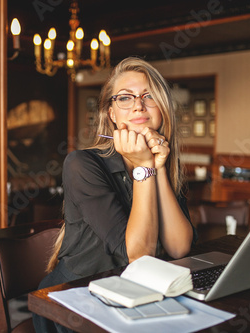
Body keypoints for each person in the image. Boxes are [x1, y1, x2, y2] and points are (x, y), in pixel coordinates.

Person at [33, 57, 197, 333]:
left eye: (148, 96)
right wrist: (145, 167)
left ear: (163, 109)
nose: (137, 105)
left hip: (136, 293)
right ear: (111, 113)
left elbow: (179, 247)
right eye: (125, 98)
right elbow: (139, 255)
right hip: (76, 298)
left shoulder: (163, 161)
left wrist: (158, 169)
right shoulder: (81, 164)